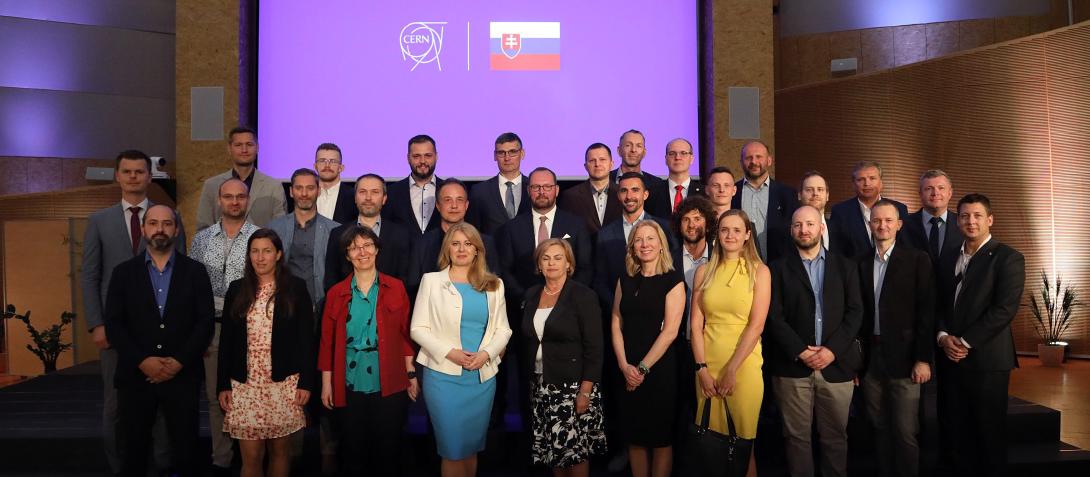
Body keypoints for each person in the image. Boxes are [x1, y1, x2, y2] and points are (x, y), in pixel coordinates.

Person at [81, 149, 185, 475]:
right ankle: (120, 467)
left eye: (139, 172)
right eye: (127, 171)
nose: (133, 177)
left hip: (161, 327)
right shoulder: (99, 221)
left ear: (149, 176)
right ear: (118, 176)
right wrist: (97, 323)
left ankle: (161, 465)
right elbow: (90, 275)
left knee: (161, 402)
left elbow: (180, 272)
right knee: (115, 405)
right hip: (116, 329)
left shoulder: (166, 216)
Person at [103, 204, 214, 477]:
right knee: (134, 450)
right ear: (143, 229)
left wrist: (178, 361)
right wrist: (143, 361)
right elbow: (115, 325)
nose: (160, 229)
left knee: (186, 450)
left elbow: (205, 322)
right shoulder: (123, 273)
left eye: (167, 224)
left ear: (176, 229)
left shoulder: (195, 271)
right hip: (136, 375)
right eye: (153, 223)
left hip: (183, 375)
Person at [763, 205, 863, 477]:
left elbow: (856, 313)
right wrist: (800, 351)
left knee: (835, 439)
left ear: (821, 227)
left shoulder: (845, 266)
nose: (803, 230)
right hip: (792, 367)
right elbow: (774, 317)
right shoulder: (777, 268)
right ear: (791, 230)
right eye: (797, 225)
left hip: (837, 366)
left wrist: (831, 351)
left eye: (809, 224)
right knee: (796, 440)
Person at [411, 222, 513, 477]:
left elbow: (504, 330)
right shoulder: (432, 281)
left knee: (470, 449)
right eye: (455, 243)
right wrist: (451, 352)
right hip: (443, 377)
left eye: (468, 243)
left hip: (481, 378)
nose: (462, 249)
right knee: (453, 449)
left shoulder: (494, 284)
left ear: (478, 250)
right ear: (447, 248)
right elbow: (418, 329)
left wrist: (486, 354)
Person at [935, 194, 1024, 476]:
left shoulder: (1008, 257)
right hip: (949, 356)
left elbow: (1004, 309)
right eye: (964, 216)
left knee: (988, 434)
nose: (970, 221)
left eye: (976, 216)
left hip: (987, 361)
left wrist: (963, 341)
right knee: (952, 431)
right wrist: (942, 337)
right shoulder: (948, 255)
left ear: (989, 220)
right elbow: (937, 302)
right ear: (957, 220)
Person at [319, 225, 418, 476]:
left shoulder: (396, 287)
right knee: (353, 452)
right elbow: (327, 344)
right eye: (354, 248)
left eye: (367, 245)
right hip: (349, 383)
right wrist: (326, 384)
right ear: (347, 255)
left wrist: (411, 374)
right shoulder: (335, 293)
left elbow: (406, 335)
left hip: (390, 381)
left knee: (388, 451)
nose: (361, 252)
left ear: (376, 249)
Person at [217, 229, 315, 477]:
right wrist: (222, 385)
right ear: (249, 255)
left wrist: (306, 382)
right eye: (255, 251)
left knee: (280, 452)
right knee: (250, 458)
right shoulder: (237, 289)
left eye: (267, 251)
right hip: (245, 385)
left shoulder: (296, 288)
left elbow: (306, 340)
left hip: (283, 384)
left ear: (278, 254)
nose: (260, 257)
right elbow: (226, 341)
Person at [857, 200, 935, 477]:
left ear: (899, 225)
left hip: (906, 359)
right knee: (878, 426)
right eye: (877, 220)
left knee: (904, 430)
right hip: (870, 360)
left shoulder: (916, 260)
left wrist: (923, 359)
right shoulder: (862, 262)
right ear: (870, 224)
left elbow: (927, 313)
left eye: (888, 220)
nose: (882, 225)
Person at [690, 209, 770, 475]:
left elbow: (757, 325)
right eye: (725, 230)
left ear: (748, 235)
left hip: (743, 367)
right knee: (712, 446)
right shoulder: (703, 272)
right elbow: (695, 325)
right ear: (717, 234)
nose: (730, 235)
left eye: (737, 230)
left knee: (743, 445)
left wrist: (732, 369)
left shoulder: (760, 272)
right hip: (707, 367)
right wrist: (701, 369)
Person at [189, 178, 260, 473]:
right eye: (228, 197)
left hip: (251, 329)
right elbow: (192, 289)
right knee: (215, 396)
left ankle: (251, 459)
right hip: (212, 328)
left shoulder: (260, 238)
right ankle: (221, 459)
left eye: (240, 197)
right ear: (219, 200)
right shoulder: (202, 239)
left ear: (247, 200)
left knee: (249, 394)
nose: (234, 202)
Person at [520, 238, 606, 476]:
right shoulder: (531, 295)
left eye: (558, 258)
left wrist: (585, 391)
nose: (551, 263)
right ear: (538, 264)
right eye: (545, 258)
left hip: (573, 387)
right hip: (541, 385)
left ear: (569, 263)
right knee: (553, 452)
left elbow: (595, 348)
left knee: (574, 454)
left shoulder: (583, 295)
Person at [611, 220, 685, 477]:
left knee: (660, 438)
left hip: (658, 369)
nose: (645, 244)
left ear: (661, 244)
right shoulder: (625, 279)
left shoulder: (674, 280)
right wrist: (624, 365)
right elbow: (616, 321)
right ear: (632, 247)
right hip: (626, 367)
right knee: (635, 437)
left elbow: (671, 331)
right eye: (639, 240)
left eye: (650, 239)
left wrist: (641, 369)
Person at [592, 172, 677, 314]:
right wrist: (619, 307)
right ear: (618, 196)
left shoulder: (664, 228)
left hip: (658, 311)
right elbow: (600, 281)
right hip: (617, 314)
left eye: (635, 190)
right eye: (624, 191)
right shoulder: (604, 235)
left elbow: (672, 270)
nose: (629, 196)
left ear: (645, 195)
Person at [408, 179, 500, 295]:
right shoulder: (422, 243)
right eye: (447, 200)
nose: (454, 206)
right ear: (437, 205)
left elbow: (494, 285)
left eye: (459, 200)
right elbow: (413, 288)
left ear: (466, 205)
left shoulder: (485, 243)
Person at [324, 174, 414, 291]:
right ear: (355, 198)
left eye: (375, 192)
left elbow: (404, 279)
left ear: (384, 198)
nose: (368, 197)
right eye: (362, 192)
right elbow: (332, 279)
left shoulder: (401, 235)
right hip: (349, 305)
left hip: (390, 305)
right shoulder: (338, 234)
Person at [267, 169, 339, 307]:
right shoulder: (274, 228)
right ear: (291, 191)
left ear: (318, 191)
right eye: (299, 188)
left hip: (322, 306)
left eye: (310, 188)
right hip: (283, 304)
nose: (304, 194)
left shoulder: (334, 230)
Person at [197, 126, 286, 230]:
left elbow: (281, 229)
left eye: (249, 144)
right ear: (229, 149)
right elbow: (203, 228)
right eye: (238, 145)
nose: (244, 150)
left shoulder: (274, 187)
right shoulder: (211, 185)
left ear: (257, 148)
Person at [731, 140, 799, 263]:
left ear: (769, 160)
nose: (754, 162)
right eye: (748, 158)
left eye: (759, 157)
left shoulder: (787, 194)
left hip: (778, 267)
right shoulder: (732, 193)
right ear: (741, 162)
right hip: (740, 268)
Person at [828, 161, 908, 258]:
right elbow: (837, 250)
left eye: (872, 178)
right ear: (853, 185)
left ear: (881, 182)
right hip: (854, 270)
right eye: (861, 179)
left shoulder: (900, 208)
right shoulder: (840, 212)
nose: (867, 183)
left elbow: (905, 245)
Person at [467, 132, 530, 236]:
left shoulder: (535, 188)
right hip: (492, 251)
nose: (507, 158)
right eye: (501, 153)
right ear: (495, 156)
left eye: (512, 152)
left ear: (522, 154)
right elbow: (473, 232)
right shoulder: (480, 192)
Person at [558, 143, 623, 238]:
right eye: (592, 161)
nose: (597, 164)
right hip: (583, 252)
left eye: (602, 159)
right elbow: (565, 232)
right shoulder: (570, 196)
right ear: (585, 166)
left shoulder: (623, 193)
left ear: (611, 164)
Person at [384, 134, 444, 235]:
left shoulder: (448, 189)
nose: (422, 161)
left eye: (428, 155)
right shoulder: (392, 192)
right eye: (416, 156)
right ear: (408, 158)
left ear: (436, 157)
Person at [903, 169, 963, 265]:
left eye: (941, 188)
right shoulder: (904, 225)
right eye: (928, 188)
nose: (935, 193)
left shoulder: (962, 223)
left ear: (950, 193)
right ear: (920, 194)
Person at [647, 138, 704, 218]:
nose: (677, 157)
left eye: (683, 153)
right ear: (666, 159)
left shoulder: (704, 193)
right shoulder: (652, 193)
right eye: (672, 153)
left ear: (691, 159)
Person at [608, 129, 665, 208]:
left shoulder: (657, 184)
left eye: (638, 146)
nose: (633, 150)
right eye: (628, 145)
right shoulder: (606, 180)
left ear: (644, 152)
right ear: (619, 150)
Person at [798, 171, 841, 253]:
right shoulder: (784, 233)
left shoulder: (841, 231)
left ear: (827, 196)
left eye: (820, 189)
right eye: (809, 190)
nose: (815, 194)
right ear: (799, 195)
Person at [313, 143, 357, 225]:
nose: (327, 165)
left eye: (332, 161)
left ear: (341, 168)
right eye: (322, 161)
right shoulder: (306, 194)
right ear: (315, 166)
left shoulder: (353, 196)